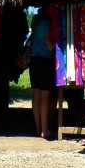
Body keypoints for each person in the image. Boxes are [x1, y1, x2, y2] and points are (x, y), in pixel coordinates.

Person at [28, 8, 56, 138]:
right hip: (46, 61)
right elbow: (49, 46)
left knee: (36, 94)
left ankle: (37, 128)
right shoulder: (49, 23)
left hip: (34, 60)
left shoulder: (35, 20)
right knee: (45, 96)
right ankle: (45, 130)